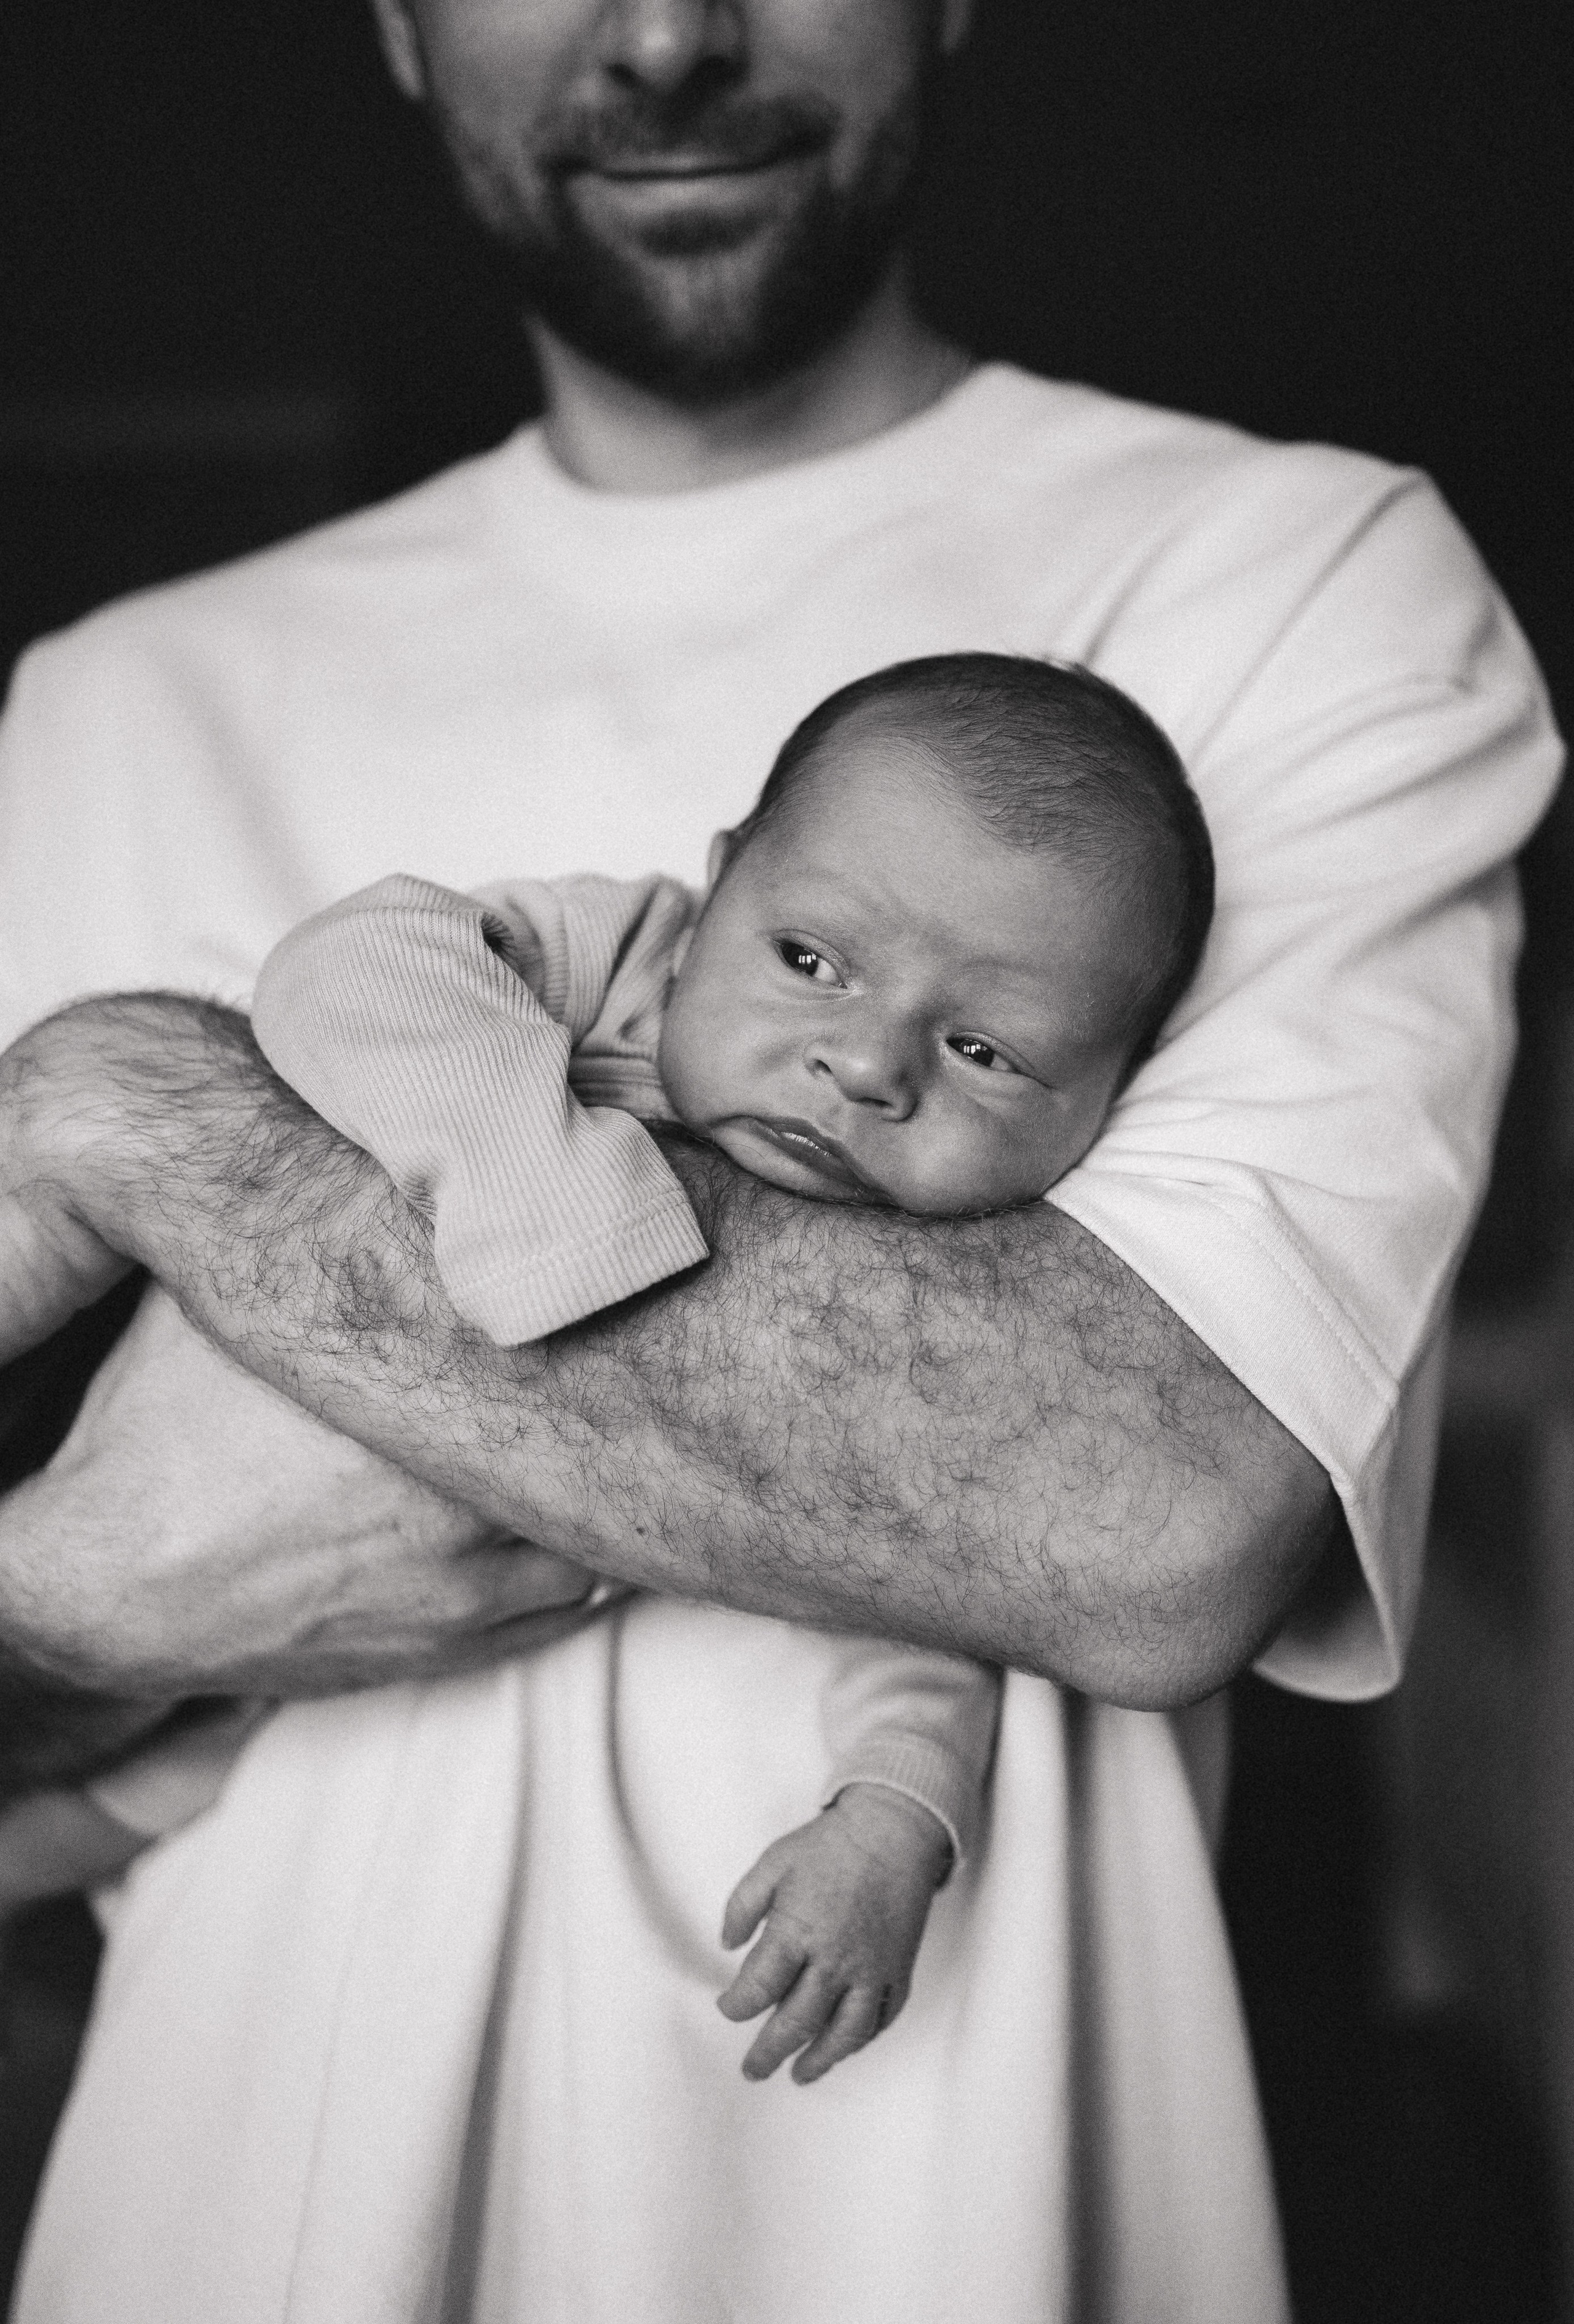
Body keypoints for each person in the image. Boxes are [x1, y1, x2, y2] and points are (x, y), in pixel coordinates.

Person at [0, 0, 1560, 2315]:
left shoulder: (1298, 578)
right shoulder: (110, 702)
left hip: (933, 2195)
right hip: (249, 2199)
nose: (668, 34)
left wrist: (145, 1108)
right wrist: (56, 1609)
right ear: (400, 29)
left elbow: (1134, 1511)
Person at [1, 650, 1214, 2091]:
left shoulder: (943, 1305)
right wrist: (552, 1199)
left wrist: (890, 1819)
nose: (866, 1064)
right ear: (717, 888)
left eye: (983, 1051)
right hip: (108, 1427)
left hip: (314, 1696)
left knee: (171, 1792)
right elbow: (356, 963)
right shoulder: (617, 960)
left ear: (1111, 1100)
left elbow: (929, 1597)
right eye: (809, 961)